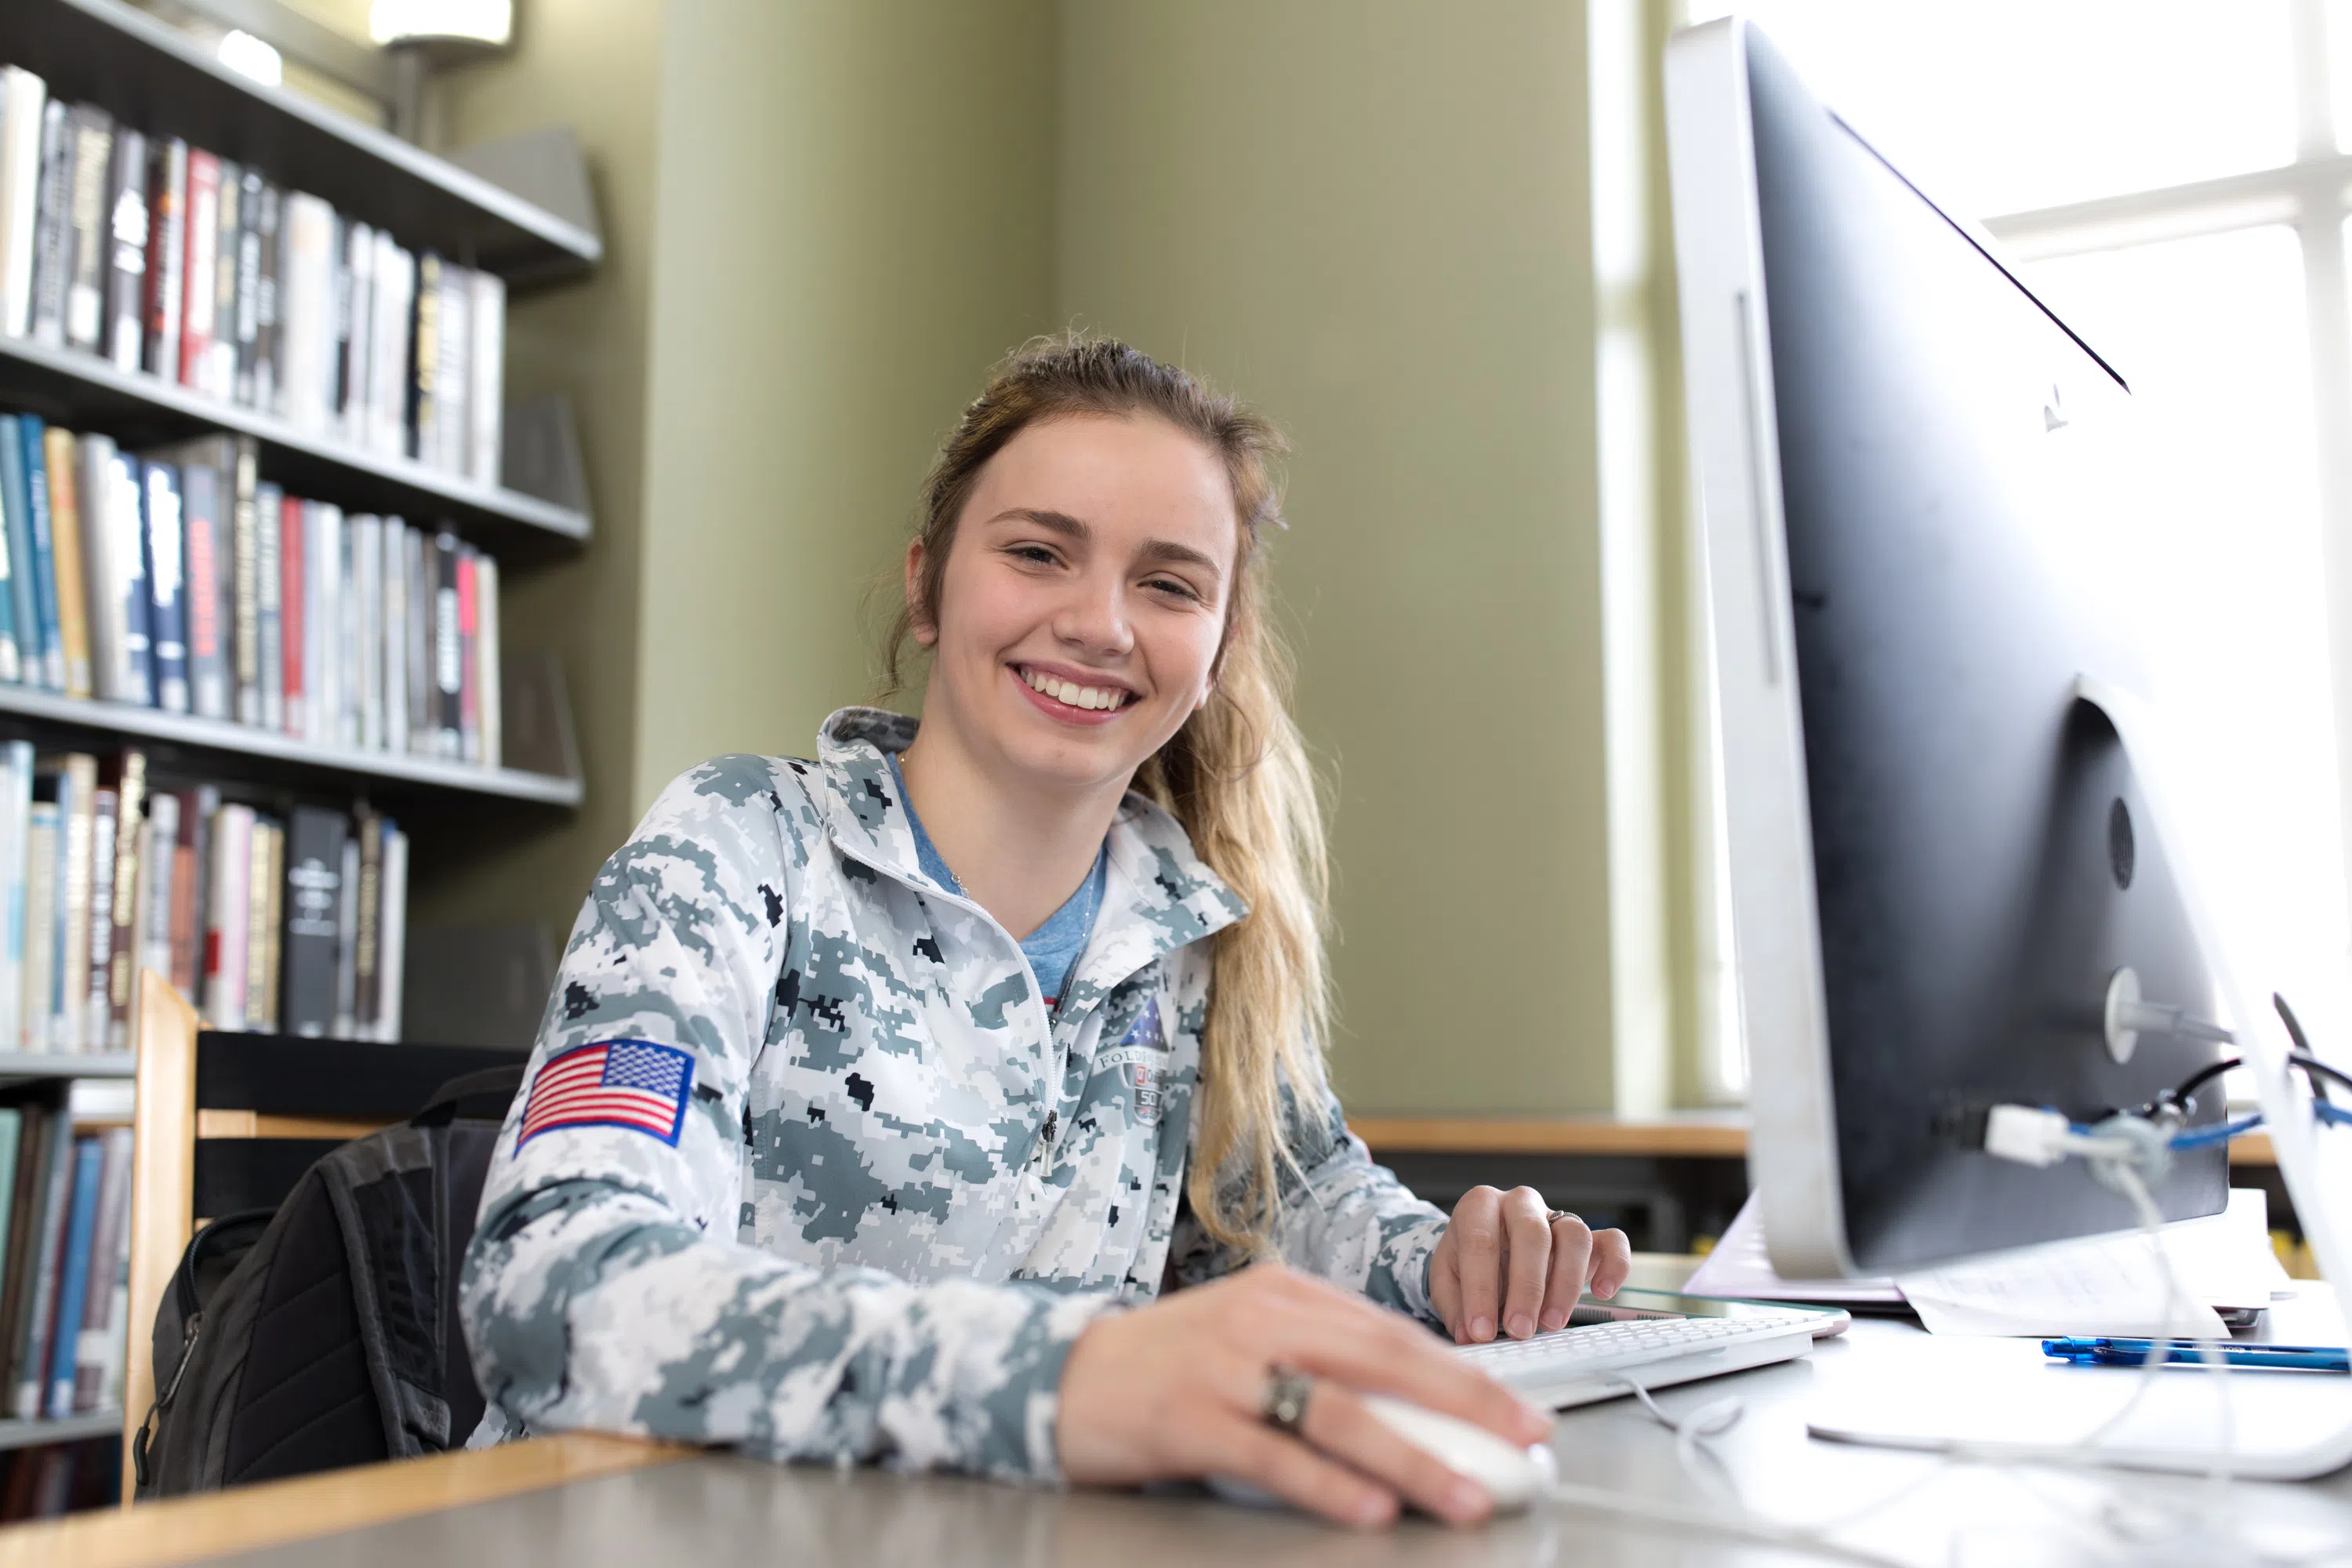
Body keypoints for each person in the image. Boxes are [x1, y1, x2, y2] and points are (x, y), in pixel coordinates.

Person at [460, 335, 1632, 1529]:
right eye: (1037, 553)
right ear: (926, 586)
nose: (1100, 624)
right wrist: (1063, 1380)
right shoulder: (736, 846)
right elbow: (554, 1280)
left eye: (1170, 584)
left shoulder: (1192, 937)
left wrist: (1452, 1264)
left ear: (1218, 652)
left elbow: (1305, 1206)